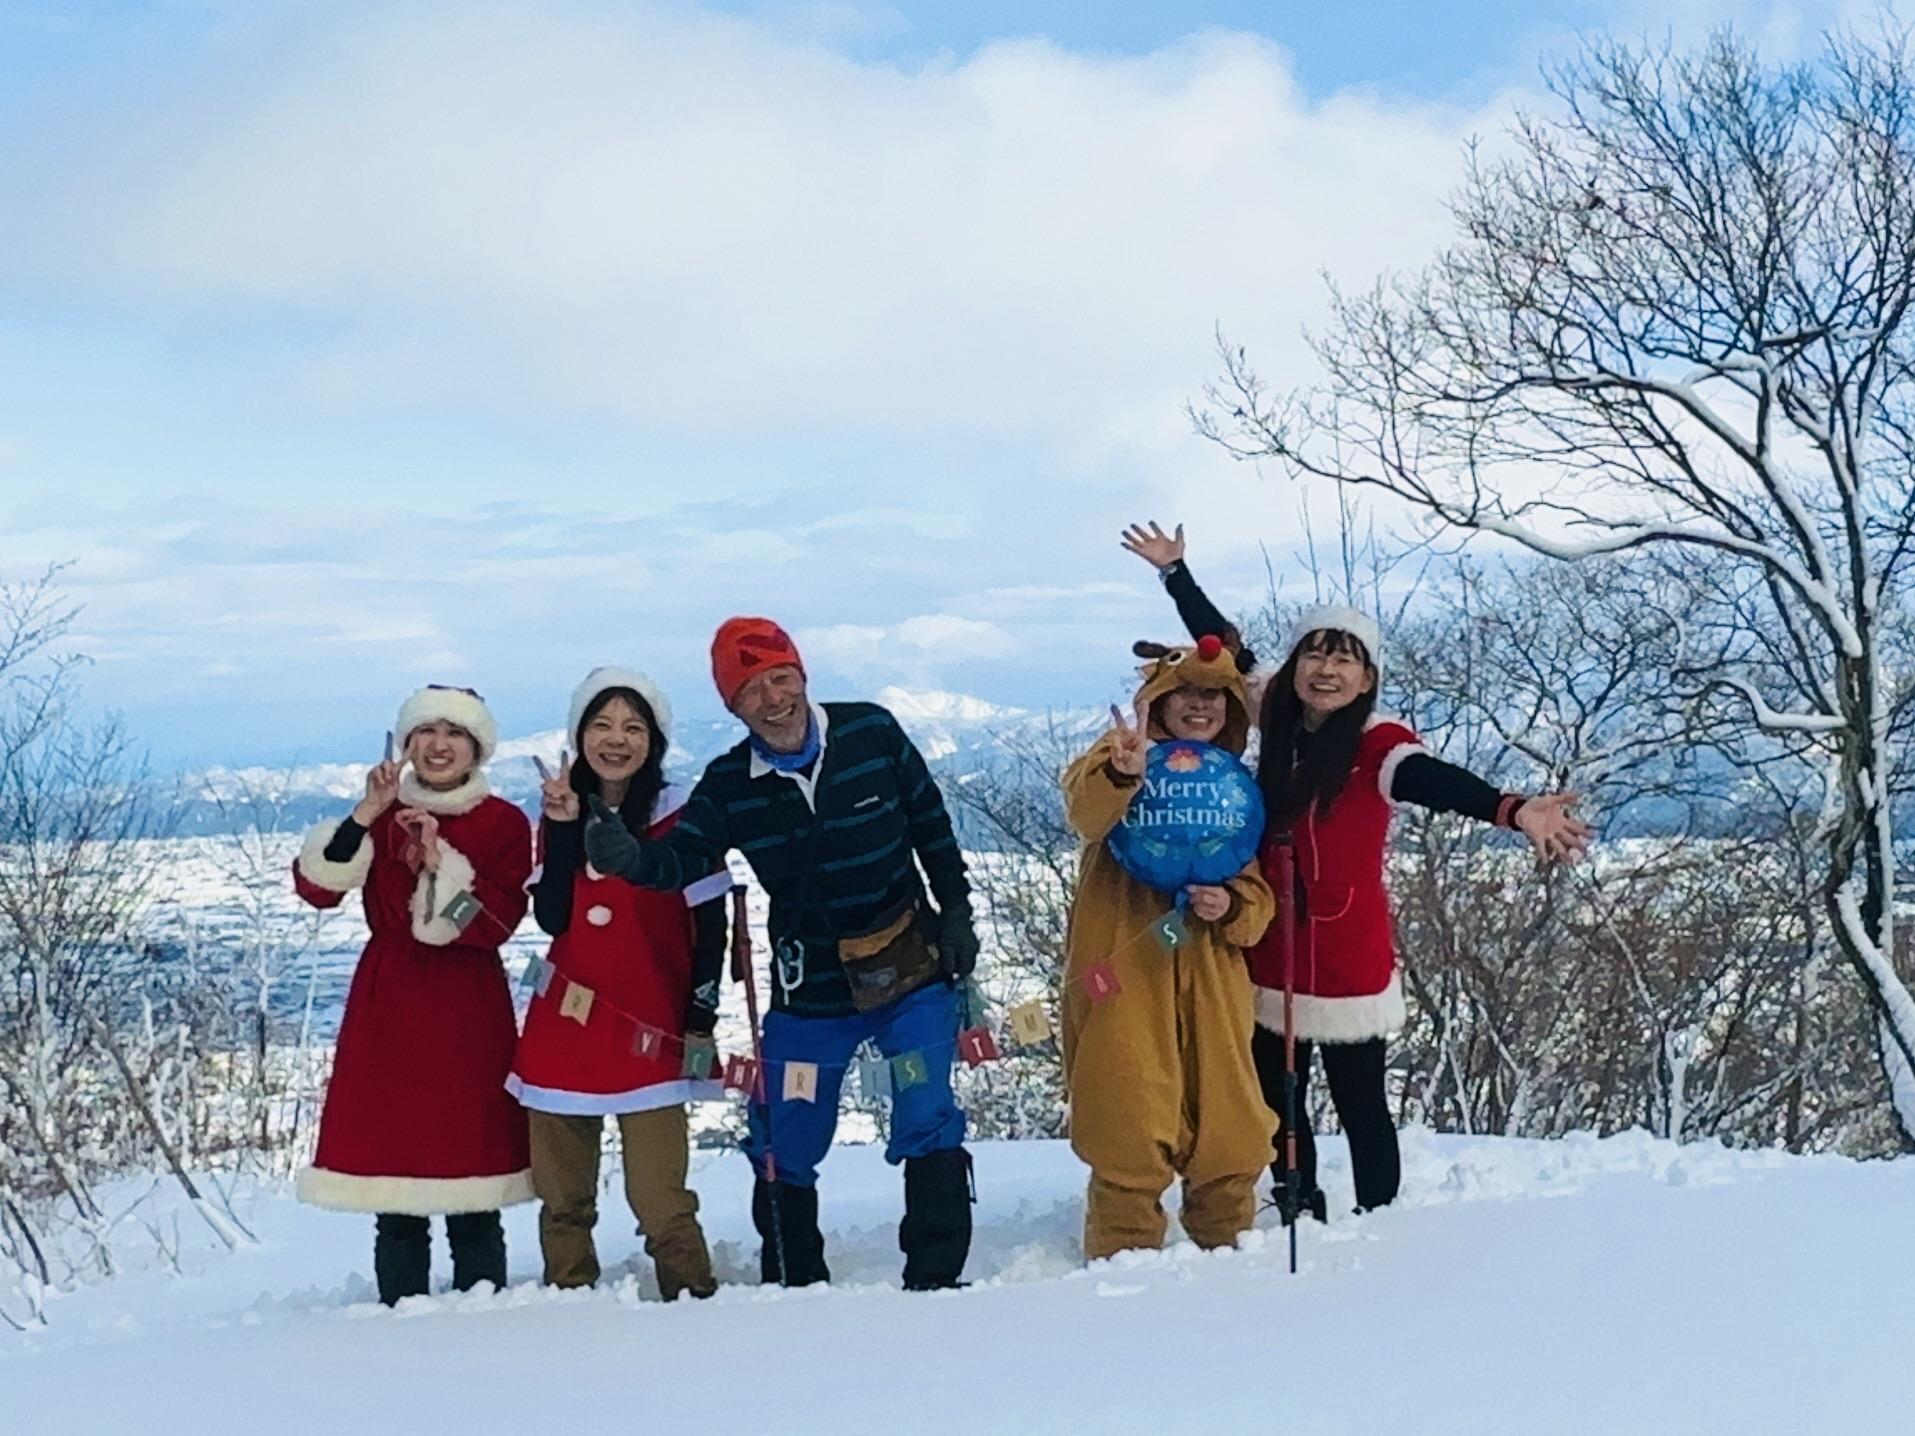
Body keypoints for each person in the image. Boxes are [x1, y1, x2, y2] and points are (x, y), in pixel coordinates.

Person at [1123, 521, 1591, 1217]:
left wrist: (1511, 809)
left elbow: (1431, 779)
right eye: (1316, 653)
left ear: (1367, 678)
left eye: (1346, 659)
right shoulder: (1274, 711)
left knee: (1359, 1097)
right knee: (1275, 1093)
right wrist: (1174, 574)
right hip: (1269, 938)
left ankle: (1379, 1218)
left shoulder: (1379, 744)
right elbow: (1227, 646)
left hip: (1345, 947)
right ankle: (1296, 1202)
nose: (1327, 669)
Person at [581, 618, 982, 1290]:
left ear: (801, 676)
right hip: (810, 985)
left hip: (911, 962)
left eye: (780, 678)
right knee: (784, 1132)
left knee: (925, 1110)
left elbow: (930, 825)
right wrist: (631, 859)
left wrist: (958, 915)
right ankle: (794, 1279)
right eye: (750, 690)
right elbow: (683, 857)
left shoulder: (871, 733)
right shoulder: (730, 782)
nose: (772, 698)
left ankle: (937, 1279)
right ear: (732, 706)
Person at [292, 685, 534, 1303]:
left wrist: (437, 862)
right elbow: (318, 889)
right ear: (406, 744)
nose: (439, 744)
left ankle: (483, 1305)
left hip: (467, 1006)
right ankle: (400, 1312)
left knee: (473, 1180)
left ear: (475, 746)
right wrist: (364, 814)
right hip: (390, 1004)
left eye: (454, 732)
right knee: (395, 1185)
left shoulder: (503, 822)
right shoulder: (381, 811)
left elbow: (496, 924)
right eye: (426, 731)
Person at [507, 667, 726, 1299]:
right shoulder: (553, 810)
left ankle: (698, 1304)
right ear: (579, 736)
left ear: (654, 740)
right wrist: (566, 827)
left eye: (634, 726)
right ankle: (571, 1307)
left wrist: (701, 1019)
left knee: (661, 1201)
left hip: (650, 1032)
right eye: (601, 724)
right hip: (564, 1026)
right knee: (563, 1199)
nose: (617, 738)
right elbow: (552, 918)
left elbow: (708, 928)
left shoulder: (682, 814)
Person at [1060, 634, 1276, 1259]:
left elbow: (1258, 903)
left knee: (1228, 1121)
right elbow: (1085, 811)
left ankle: (1229, 1252)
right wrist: (1122, 771)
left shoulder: (1234, 792)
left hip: (1210, 974)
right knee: (1125, 1109)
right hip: (1124, 969)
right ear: (1157, 698)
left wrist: (1231, 904)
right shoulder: (1120, 755)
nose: (1200, 706)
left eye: (1214, 695)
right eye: (1184, 692)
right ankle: (1122, 1258)